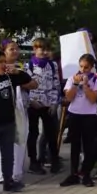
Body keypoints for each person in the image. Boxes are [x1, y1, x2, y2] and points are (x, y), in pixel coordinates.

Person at [0, 49, 36, 194]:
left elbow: (30, 82)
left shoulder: (9, 77)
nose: (4, 65)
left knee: (8, 155)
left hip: (8, 123)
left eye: (4, 61)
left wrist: (17, 72)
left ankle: (8, 181)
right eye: (0, 62)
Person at [60, 54, 97, 188]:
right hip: (75, 114)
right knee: (75, 145)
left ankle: (86, 173)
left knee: (89, 145)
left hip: (89, 115)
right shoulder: (72, 78)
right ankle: (74, 173)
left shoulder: (96, 79)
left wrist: (85, 86)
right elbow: (69, 97)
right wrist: (76, 84)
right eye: (81, 66)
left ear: (91, 67)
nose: (83, 70)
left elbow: (93, 99)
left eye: (87, 67)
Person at [25, 37, 62, 175]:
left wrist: (54, 103)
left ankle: (54, 161)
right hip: (34, 104)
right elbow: (25, 87)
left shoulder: (52, 65)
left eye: (47, 49)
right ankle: (34, 162)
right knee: (33, 133)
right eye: (42, 49)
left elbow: (56, 85)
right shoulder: (28, 66)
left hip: (48, 104)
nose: (45, 52)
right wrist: (31, 101)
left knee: (51, 134)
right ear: (35, 49)